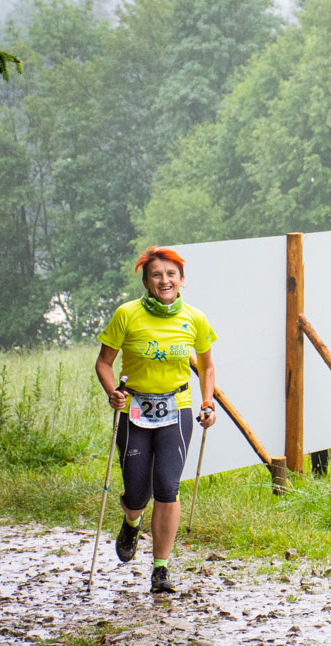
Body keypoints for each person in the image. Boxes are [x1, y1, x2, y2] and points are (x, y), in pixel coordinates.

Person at [94, 246, 218, 594]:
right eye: (156, 275)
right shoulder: (126, 315)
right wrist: (111, 392)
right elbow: (104, 363)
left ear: (181, 279)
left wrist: (207, 402)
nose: (164, 280)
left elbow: (207, 366)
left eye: (170, 274)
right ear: (147, 281)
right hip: (134, 408)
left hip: (176, 408)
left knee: (167, 487)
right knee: (137, 493)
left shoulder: (195, 318)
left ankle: (161, 569)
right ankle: (131, 521)